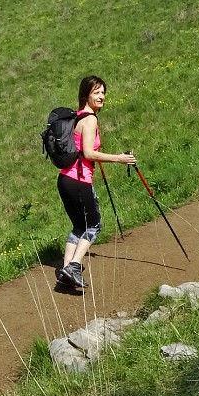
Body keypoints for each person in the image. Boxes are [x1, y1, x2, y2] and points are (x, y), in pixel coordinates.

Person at [57, 76, 136, 289]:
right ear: (86, 95)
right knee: (94, 225)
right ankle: (74, 265)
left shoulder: (76, 117)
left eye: (103, 92)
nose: (102, 96)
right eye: (97, 92)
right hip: (79, 180)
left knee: (78, 225)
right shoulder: (90, 119)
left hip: (65, 180)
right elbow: (90, 153)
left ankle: (66, 271)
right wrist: (119, 159)